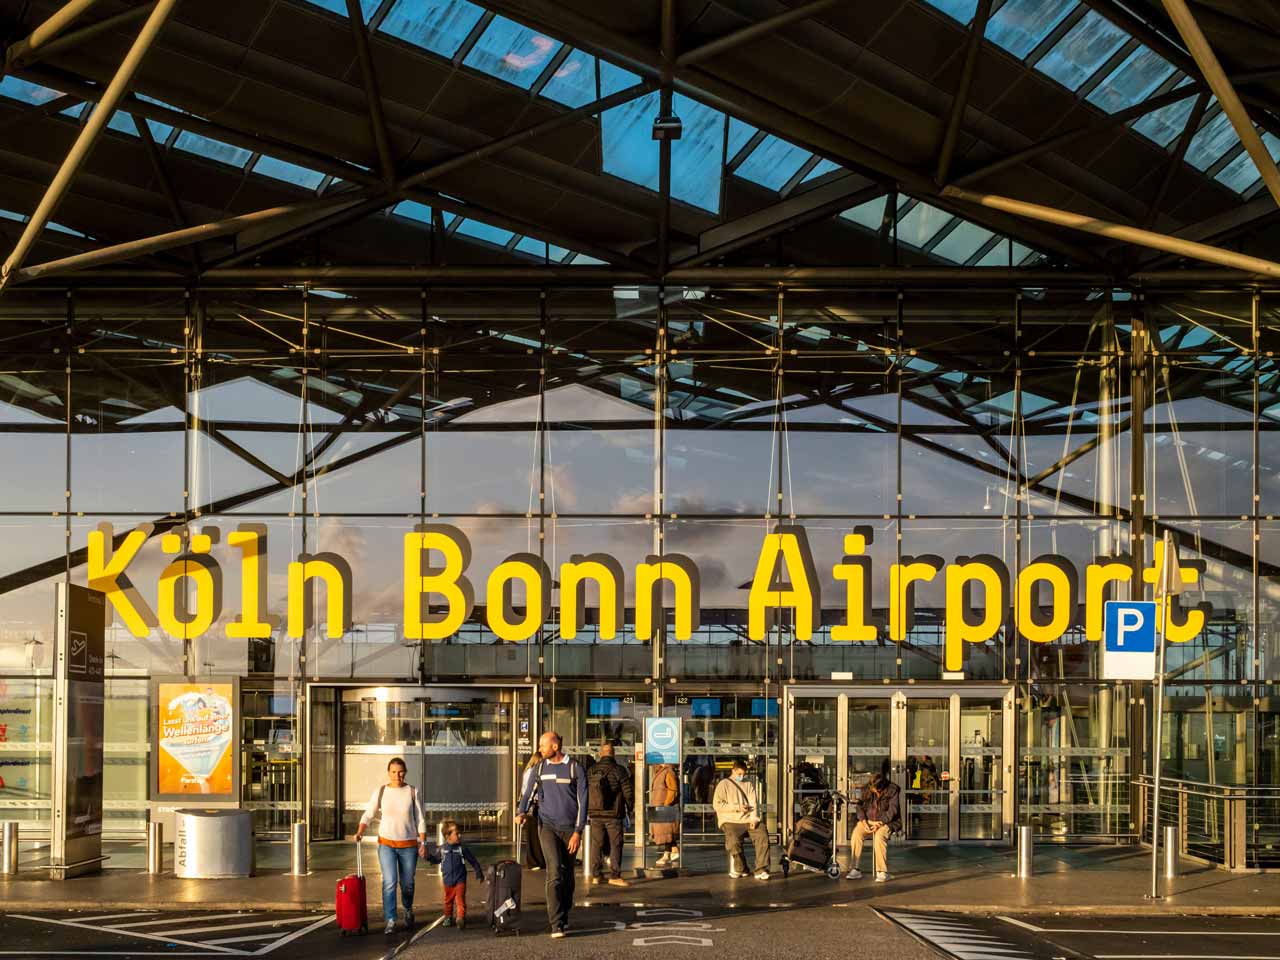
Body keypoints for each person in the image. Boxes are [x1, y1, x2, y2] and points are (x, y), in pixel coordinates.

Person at [516, 731, 587, 939]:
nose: (539, 749)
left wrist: (578, 832)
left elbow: (583, 802)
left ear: (555, 746)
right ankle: (556, 924)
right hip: (547, 826)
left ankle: (564, 911)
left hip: (570, 829)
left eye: (543, 745)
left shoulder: (575, 768)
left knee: (567, 875)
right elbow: (528, 794)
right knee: (554, 871)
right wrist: (521, 812)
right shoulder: (539, 768)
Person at [355, 757, 428, 934]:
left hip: (409, 845)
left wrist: (423, 842)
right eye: (394, 772)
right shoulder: (381, 791)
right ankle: (391, 920)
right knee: (389, 882)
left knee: (407, 884)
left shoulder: (412, 791)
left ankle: (408, 909)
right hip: (386, 844)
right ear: (388, 773)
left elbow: (420, 819)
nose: (397, 775)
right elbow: (369, 813)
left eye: (400, 772)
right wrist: (360, 831)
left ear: (405, 772)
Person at [712, 758, 770, 881]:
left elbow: (753, 803)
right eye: (739, 774)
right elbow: (717, 805)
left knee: (762, 834)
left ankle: (761, 869)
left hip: (748, 819)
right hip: (730, 820)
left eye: (744, 774)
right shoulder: (723, 784)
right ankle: (740, 867)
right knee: (733, 841)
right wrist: (737, 807)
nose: (742, 776)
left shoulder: (748, 784)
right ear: (733, 771)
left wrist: (754, 819)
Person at [587, 742, 635, 887]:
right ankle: (615, 875)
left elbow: (585, 790)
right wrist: (630, 808)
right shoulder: (619, 770)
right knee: (616, 844)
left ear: (600, 754)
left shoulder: (592, 770)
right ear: (613, 754)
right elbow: (628, 792)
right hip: (613, 814)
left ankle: (596, 875)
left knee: (596, 844)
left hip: (595, 813)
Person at [425, 820, 484, 929]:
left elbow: (472, 860)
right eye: (456, 833)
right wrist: (428, 856)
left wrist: (479, 872)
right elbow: (436, 860)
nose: (459, 835)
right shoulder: (442, 849)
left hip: (460, 879)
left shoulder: (462, 848)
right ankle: (448, 916)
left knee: (460, 899)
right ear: (447, 836)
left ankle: (460, 918)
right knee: (448, 900)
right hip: (447, 880)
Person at [847, 770, 901, 883]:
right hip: (868, 821)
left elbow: (893, 810)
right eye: (872, 789)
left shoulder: (893, 790)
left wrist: (880, 823)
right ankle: (855, 869)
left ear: (881, 788)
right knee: (856, 834)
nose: (873, 791)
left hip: (886, 822)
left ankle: (882, 872)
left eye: (875, 790)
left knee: (879, 837)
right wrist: (864, 822)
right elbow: (859, 807)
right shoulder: (866, 789)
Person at [648, 761, 680, 868]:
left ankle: (668, 854)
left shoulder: (667, 772)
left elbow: (673, 790)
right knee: (666, 833)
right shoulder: (661, 772)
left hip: (664, 808)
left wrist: (665, 805)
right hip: (660, 807)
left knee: (667, 832)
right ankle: (672, 851)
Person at [520, 751, 547, 871]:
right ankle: (534, 861)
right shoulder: (533, 772)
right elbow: (529, 791)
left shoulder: (528, 771)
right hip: (533, 805)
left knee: (535, 834)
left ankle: (536, 860)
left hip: (532, 805)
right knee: (534, 834)